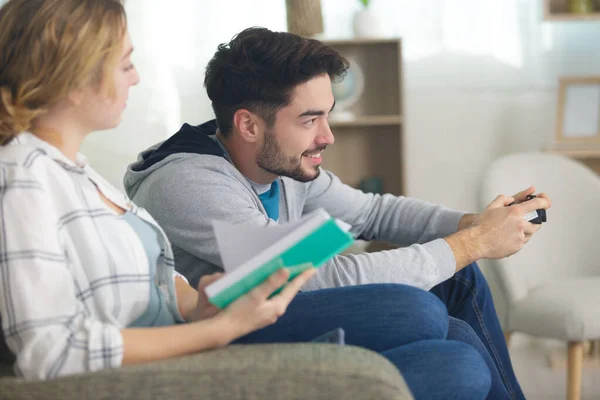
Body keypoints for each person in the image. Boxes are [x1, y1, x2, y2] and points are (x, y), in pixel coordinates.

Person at [0, 1, 494, 398]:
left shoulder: (81, 176)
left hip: (199, 330)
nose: (136, 78)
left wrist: (203, 302)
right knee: (433, 327)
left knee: (451, 339)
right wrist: (216, 330)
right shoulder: (24, 180)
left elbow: (154, 285)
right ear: (74, 75)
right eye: (125, 63)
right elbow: (49, 351)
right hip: (180, 357)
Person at [124, 27, 553, 400]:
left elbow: (372, 212)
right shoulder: (189, 184)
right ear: (249, 125)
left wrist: (474, 224)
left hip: (288, 308)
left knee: (459, 296)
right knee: (432, 306)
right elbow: (319, 281)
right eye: (310, 120)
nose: (327, 136)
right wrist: (474, 243)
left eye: (327, 116)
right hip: (235, 334)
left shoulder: (279, 162)